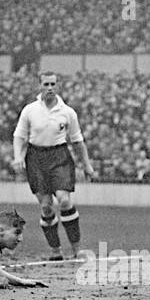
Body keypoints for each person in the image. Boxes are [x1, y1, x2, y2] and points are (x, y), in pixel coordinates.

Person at [12, 72, 97, 261]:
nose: (49, 88)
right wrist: (18, 156)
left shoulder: (67, 112)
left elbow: (77, 141)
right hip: (35, 157)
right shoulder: (30, 110)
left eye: (53, 84)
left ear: (57, 86)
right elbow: (19, 135)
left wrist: (87, 165)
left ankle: (76, 249)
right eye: (46, 84)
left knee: (64, 200)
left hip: (59, 155)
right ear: (40, 86)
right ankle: (55, 251)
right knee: (46, 207)